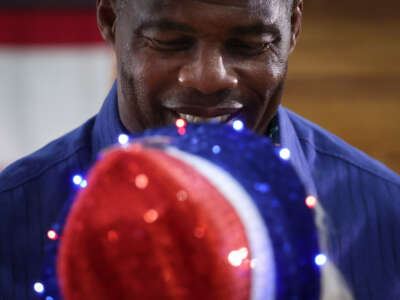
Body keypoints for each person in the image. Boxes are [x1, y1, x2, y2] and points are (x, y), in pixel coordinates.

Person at [0, 0, 399, 299]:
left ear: (293, 26)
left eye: (249, 45)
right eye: (170, 43)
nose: (209, 78)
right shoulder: (9, 219)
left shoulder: (386, 217)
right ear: (109, 20)